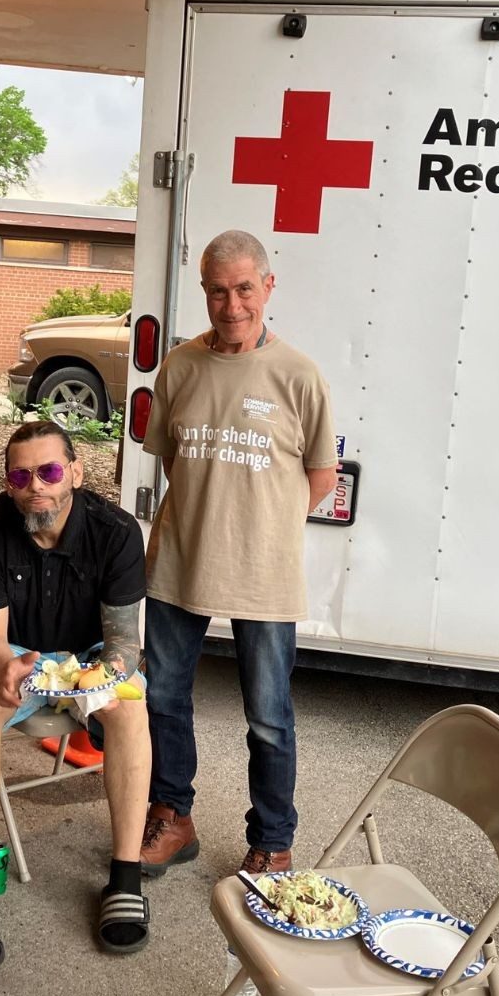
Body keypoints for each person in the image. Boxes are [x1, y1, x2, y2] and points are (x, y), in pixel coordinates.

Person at [139, 229, 338, 879]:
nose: (232, 306)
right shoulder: (180, 367)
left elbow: (320, 476)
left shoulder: (300, 376)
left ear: (268, 286)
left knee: (269, 718)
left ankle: (272, 841)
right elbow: (172, 454)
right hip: (179, 559)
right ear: (204, 292)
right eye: (218, 292)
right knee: (165, 697)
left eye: (245, 289)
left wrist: (263, 526)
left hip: (265, 573)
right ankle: (173, 815)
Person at [0, 420, 151, 973]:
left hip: (88, 656)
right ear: (8, 482)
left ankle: (125, 876)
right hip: (19, 653)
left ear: (76, 474)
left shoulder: (116, 531)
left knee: (130, 705)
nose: (35, 484)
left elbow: (125, 641)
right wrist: (5, 668)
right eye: (21, 474)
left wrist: (105, 677)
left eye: (50, 471)